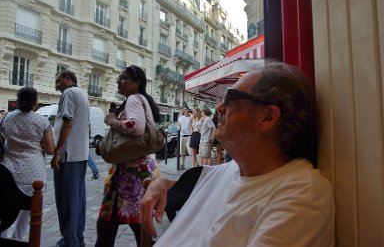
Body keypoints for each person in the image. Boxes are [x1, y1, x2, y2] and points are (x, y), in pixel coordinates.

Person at [140, 61, 335, 246]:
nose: (219, 107)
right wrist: (161, 184)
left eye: (230, 98)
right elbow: (198, 187)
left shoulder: (301, 196)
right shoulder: (235, 169)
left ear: (267, 117)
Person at [95, 65, 160, 247]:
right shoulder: (142, 100)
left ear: (136, 83)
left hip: (129, 174)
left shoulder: (132, 99)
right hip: (140, 170)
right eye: (119, 78)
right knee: (136, 224)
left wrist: (112, 121)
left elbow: (135, 127)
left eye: (123, 78)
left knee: (109, 226)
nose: (118, 81)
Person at [0, 87, 54, 240]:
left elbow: (1, 140)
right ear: (35, 103)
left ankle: (2, 238)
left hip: (8, 171)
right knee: (28, 210)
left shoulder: (7, 117)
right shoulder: (42, 121)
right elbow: (50, 149)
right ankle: (17, 238)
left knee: (6, 209)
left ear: (17, 101)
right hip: (33, 173)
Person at [51, 69, 90, 247]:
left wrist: (57, 151)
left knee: (66, 199)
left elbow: (68, 122)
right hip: (80, 155)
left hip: (68, 155)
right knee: (77, 198)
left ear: (68, 79)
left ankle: (69, 240)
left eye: (59, 81)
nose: (57, 85)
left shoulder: (68, 93)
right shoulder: (82, 94)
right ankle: (77, 237)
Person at [177, 106, 192, 170]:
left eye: (185, 109)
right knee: (182, 152)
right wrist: (179, 126)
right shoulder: (181, 117)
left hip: (189, 136)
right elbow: (178, 124)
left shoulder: (191, 116)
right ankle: (182, 164)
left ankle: (194, 164)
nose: (184, 111)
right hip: (182, 135)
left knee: (191, 152)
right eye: (183, 110)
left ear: (188, 110)